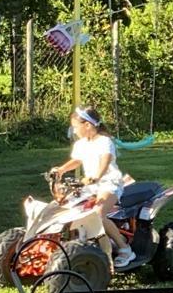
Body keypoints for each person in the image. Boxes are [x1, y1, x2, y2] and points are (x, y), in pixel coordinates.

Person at [51, 106, 135, 269]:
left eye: (75, 127)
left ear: (87, 125)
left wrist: (96, 176)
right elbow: (77, 160)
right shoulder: (81, 144)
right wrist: (61, 169)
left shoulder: (105, 142)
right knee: (68, 209)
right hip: (90, 186)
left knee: (98, 214)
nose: (74, 131)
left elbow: (105, 161)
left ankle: (125, 248)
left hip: (109, 183)